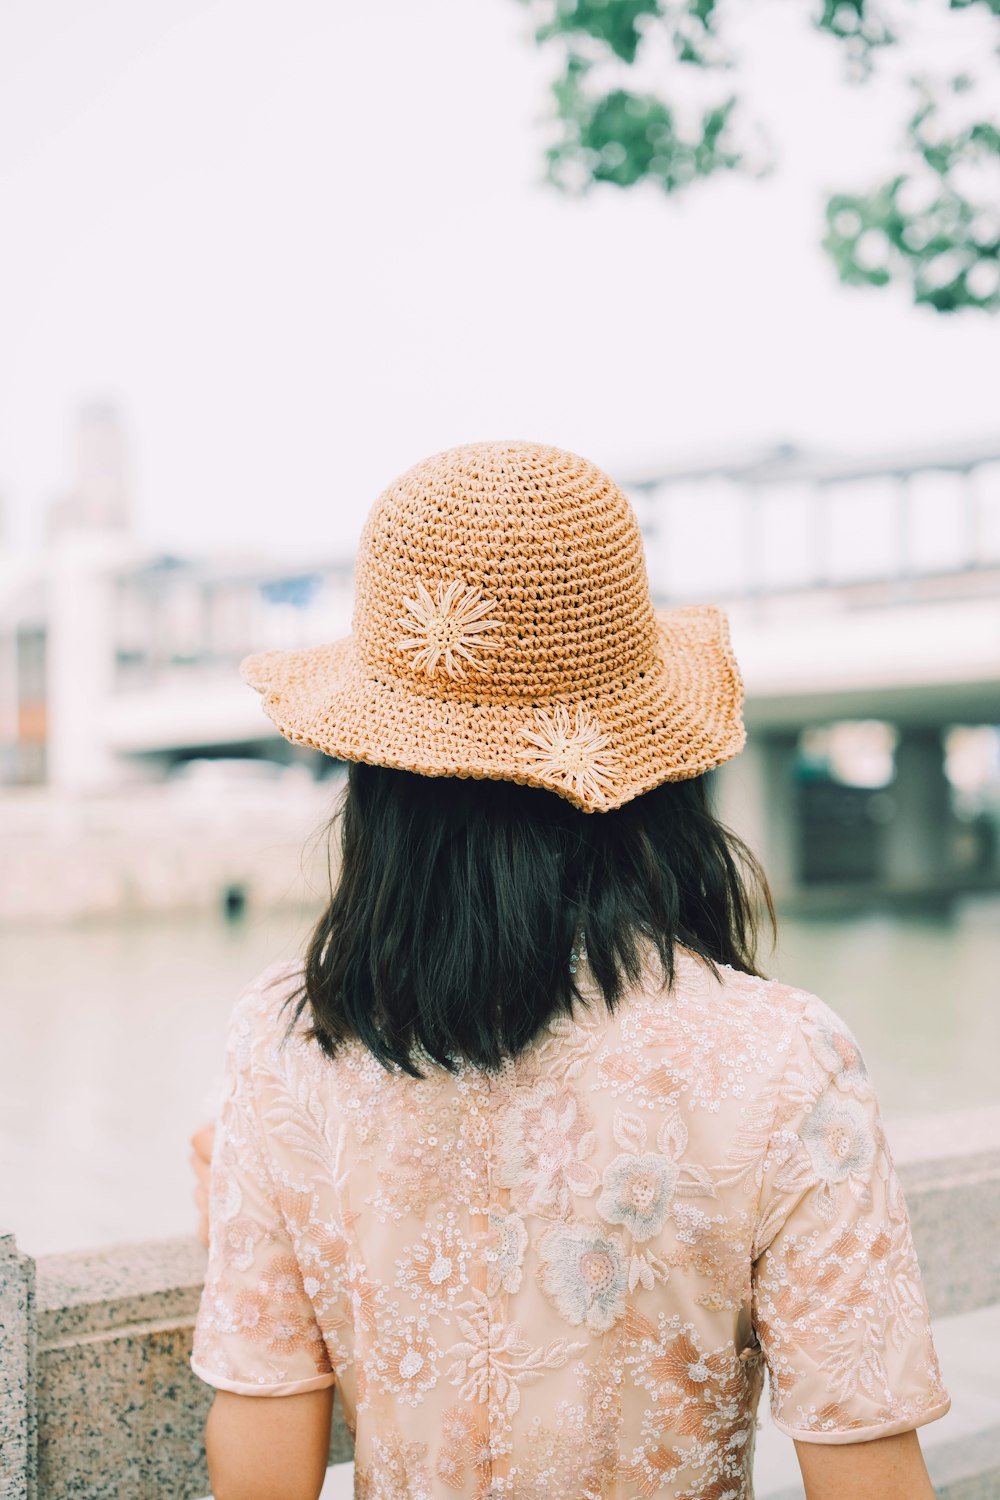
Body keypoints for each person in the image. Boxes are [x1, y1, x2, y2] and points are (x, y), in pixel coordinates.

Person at [189, 442, 949, 1500]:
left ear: (378, 773)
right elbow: (866, 1469)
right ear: (652, 761)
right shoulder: (781, 1059)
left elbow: (261, 1451)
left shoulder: (285, 1040)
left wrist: (237, 1205)